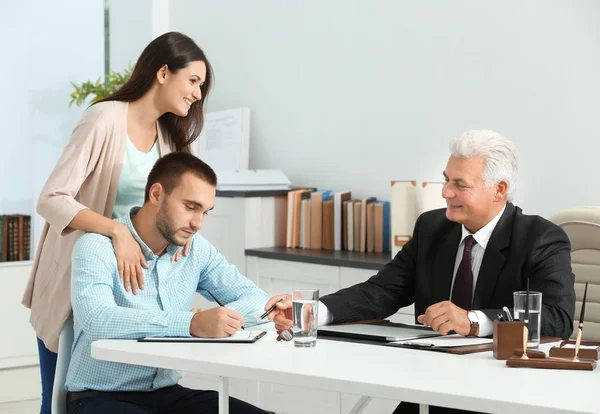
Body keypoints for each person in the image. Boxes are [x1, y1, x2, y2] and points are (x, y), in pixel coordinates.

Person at [265, 130, 576, 414]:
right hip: (433, 384)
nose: (445, 192)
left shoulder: (540, 238)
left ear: (500, 190)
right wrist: (310, 312)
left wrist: (472, 321)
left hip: (504, 392)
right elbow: (382, 291)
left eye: (460, 184)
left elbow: (557, 318)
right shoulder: (433, 228)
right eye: (446, 180)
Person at [21, 31, 213, 414]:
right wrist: (115, 229)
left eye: (201, 86)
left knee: (126, 394)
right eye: (192, 81)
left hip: (129, 290)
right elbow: (52, 197)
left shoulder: (168, 138)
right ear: (162, 72)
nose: (197, 94)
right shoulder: (104, 119)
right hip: (82, 276)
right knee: (56, 398)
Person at [66, 152, 269, 414]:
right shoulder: (96, 246)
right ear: (157, 194)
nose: (197, 223)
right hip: (100, 397)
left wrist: (220, 320)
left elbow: (257, 298)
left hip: (169, 395)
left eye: (205, 212)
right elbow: (97, 320)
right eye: (190, 207)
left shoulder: (195, 250)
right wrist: (191, 323)